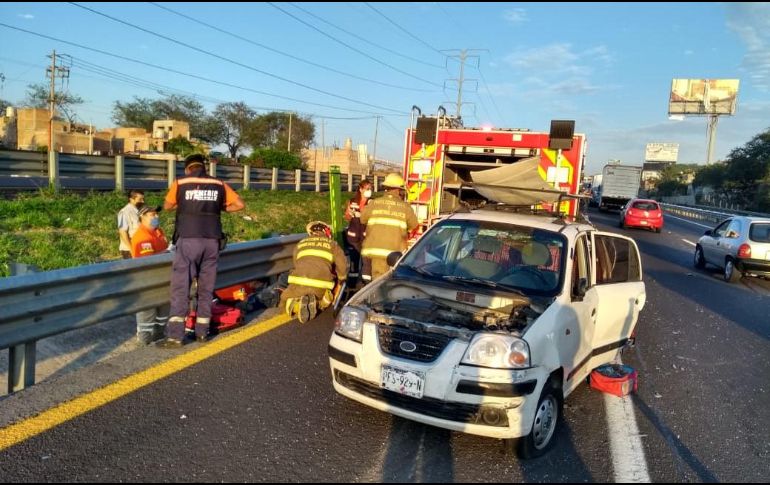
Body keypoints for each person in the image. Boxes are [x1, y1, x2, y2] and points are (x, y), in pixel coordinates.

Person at [161, 153, 245, 347]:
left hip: (189, 240)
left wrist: (186, 204)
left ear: (187, 168)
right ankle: (202, 333)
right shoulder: (218, 183)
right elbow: (240, 205)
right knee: (206, 289)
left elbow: (167, 206)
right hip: (212, 241)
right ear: (204, 167)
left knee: (182, 287)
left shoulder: (181, 182)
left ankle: (175, 337)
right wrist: (219, 208)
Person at [280, 221, 347, 324]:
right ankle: (320, 303)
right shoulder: (332, 244)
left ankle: (295, 304)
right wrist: (342, 279)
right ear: (327, 232)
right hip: (320, 286)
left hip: (298, 282)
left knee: (284, 298)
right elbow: (342, 265)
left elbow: (296, 263)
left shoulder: (300, 243)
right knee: (322, 296)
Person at [360, 173, 418, 281]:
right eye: (402, 190)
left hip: (375, 251)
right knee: (385, 285)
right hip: (394, 254)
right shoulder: (405, 207)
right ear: (398, 190)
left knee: (377, 282)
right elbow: (414, 224)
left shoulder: (374, 203)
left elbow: (362, 219)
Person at [130, 204, 170, 345]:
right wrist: (168, 253)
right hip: (147, 281)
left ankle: (159, 334)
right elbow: (149, 261)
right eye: (152, 215)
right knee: (147, 314)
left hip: (162, 279)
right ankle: (143, 342)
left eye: (157, 214)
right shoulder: (141, 237)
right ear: (142, 217)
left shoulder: (159, 232)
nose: (156, 217)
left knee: (163, 311)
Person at [343, 179, 372, 284]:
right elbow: (346, 217)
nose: (369, 191)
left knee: (367, 262)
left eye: (370, 189)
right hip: (353, 237)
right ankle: (352, 283)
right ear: (360, 189)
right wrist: (349, 214)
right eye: (367, 188)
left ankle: (366, 284)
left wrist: (363, 215)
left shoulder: (372, 202)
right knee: (354, 261)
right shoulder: (352, 201)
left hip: (366, 237)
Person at [117, 190, 145, 259]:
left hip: (140, 247)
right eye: (140, 199)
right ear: (131, 199)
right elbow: (122, 232)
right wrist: (131, 249)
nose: (143, 201)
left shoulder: (139, 211)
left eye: (143, 199)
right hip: (130, 250)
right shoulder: (125, 212)